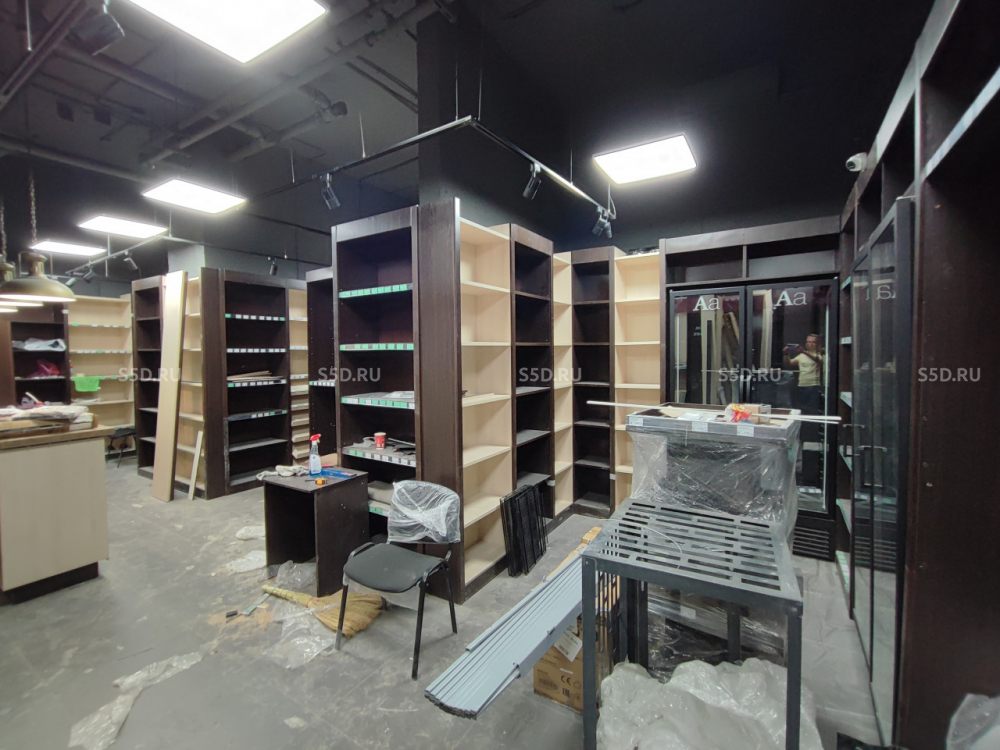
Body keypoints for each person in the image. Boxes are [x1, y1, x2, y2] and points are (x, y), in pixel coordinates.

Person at [784, 334, 825, 414]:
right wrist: (786, 354)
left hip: (814, 385)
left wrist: (803, 352)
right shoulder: (802, 355)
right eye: (808, 342)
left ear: (817, 344)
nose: (810, 344)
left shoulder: (819, 354)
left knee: (812, 409)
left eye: (813, 342)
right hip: (802, 385)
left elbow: (817, 360)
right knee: (802, 408)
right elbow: (790, 363)